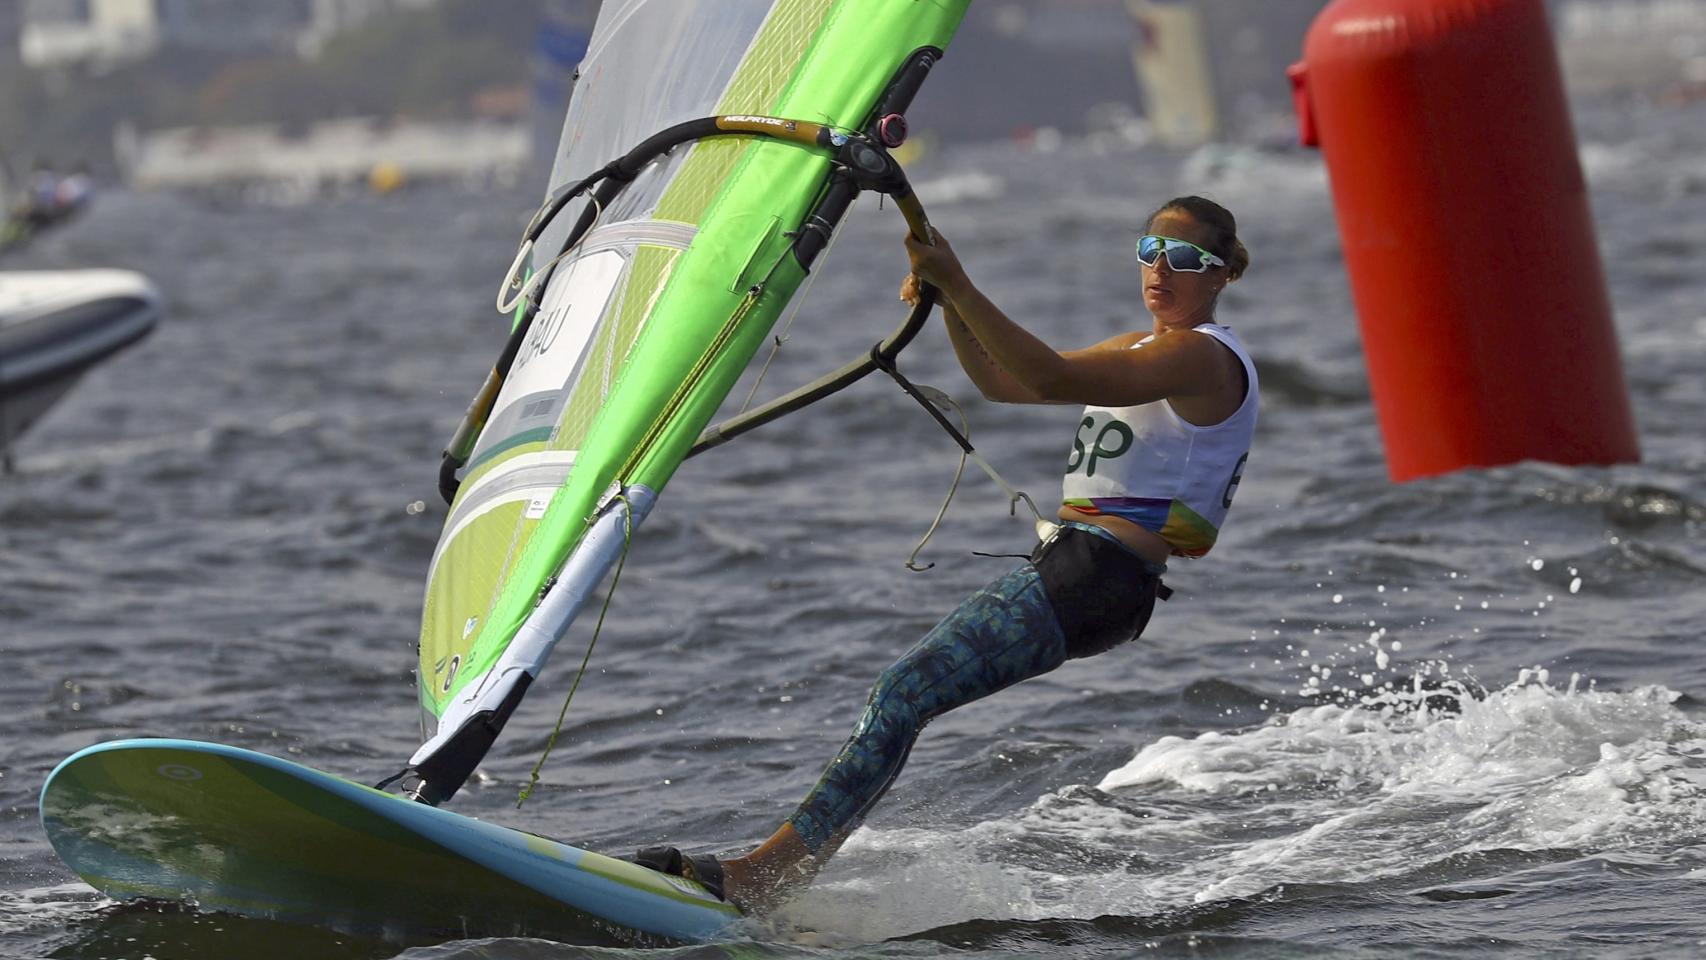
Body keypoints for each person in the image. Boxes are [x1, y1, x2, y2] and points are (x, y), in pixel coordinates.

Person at [636, 195, 1260, 910]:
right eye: (1150, 252)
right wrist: (947, 304)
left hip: (1098, 576)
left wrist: (959, 282)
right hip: (1088, 574)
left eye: (1184, 258)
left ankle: (763, 877)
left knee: (902, 693)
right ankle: (773, 873)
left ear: (1221, 275)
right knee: (906, 695)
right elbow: (1003, 383)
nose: (1160, 269)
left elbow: (1051, 377)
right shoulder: (1146, 347)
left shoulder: (1199, 355)